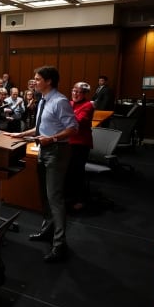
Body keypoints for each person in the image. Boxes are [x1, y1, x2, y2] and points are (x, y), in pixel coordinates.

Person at [5, 66, 78, 263]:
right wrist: (20, 134)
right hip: (43, 150)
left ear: (49, 81)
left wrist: (53, 139)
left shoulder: (60, 101)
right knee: (44, 196)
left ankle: (59, 244)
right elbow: (41, 127)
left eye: (37, 79)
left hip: (56, 151)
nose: (34, 82)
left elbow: (73, 128)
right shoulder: (44, 100)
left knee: (55, 197)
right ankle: (48, 231)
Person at [66, 82, 94, 211]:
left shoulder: (88, 105)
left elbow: (77, 122)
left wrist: (64, 115)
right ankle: (69, 197)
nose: (75, 94)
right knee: (69, 171)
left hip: (81, 143)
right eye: (74, 91)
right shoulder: (70, 104)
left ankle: (79, 200)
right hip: (68, 141)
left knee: (77, 172)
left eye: (79, 92)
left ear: (84, 94)